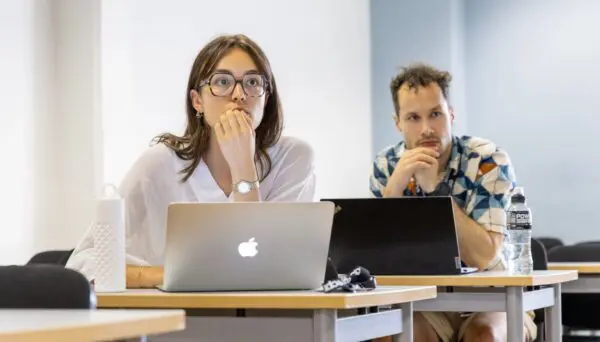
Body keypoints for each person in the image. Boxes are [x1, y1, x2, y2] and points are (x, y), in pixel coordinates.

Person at [66, 34, 316, 288]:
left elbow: (259, 267)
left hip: (266, 315)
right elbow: (83, 263)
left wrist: (243, 167)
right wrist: (165, 275)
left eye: (252, 82)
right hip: (175, 314)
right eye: (222, 82)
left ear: (267, 97)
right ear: (198, 101)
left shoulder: (294, 158)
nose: (239, 94)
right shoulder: (161, 163)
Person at [370, 63, 536, 342]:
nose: (426, 129)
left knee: (484, 335)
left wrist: (437, 193)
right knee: (390, 336)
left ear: (451, 115)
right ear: (398, 123)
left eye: (435, 114)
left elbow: (483, 257)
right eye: (413, 117)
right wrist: (394, 191)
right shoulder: (387, 165)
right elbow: (374, 260)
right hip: (425, 300)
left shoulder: (488, 160)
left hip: (494, 297)